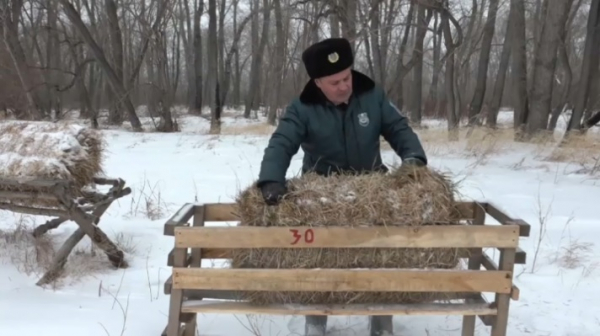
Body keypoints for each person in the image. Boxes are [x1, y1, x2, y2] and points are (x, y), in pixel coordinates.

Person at [255, 37, 428, 336]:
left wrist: (413, 157)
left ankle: (381, 321)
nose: (344, 86)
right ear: (318, 82)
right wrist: (271, 179)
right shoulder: (302, 108)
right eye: (334, 82)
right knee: (321, 259)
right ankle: (316, 319)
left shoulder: (372, 96)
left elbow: (398, 128)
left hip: (371, 187)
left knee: (378, 256)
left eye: (347, 76)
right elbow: (282, 143)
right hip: (322, 192)